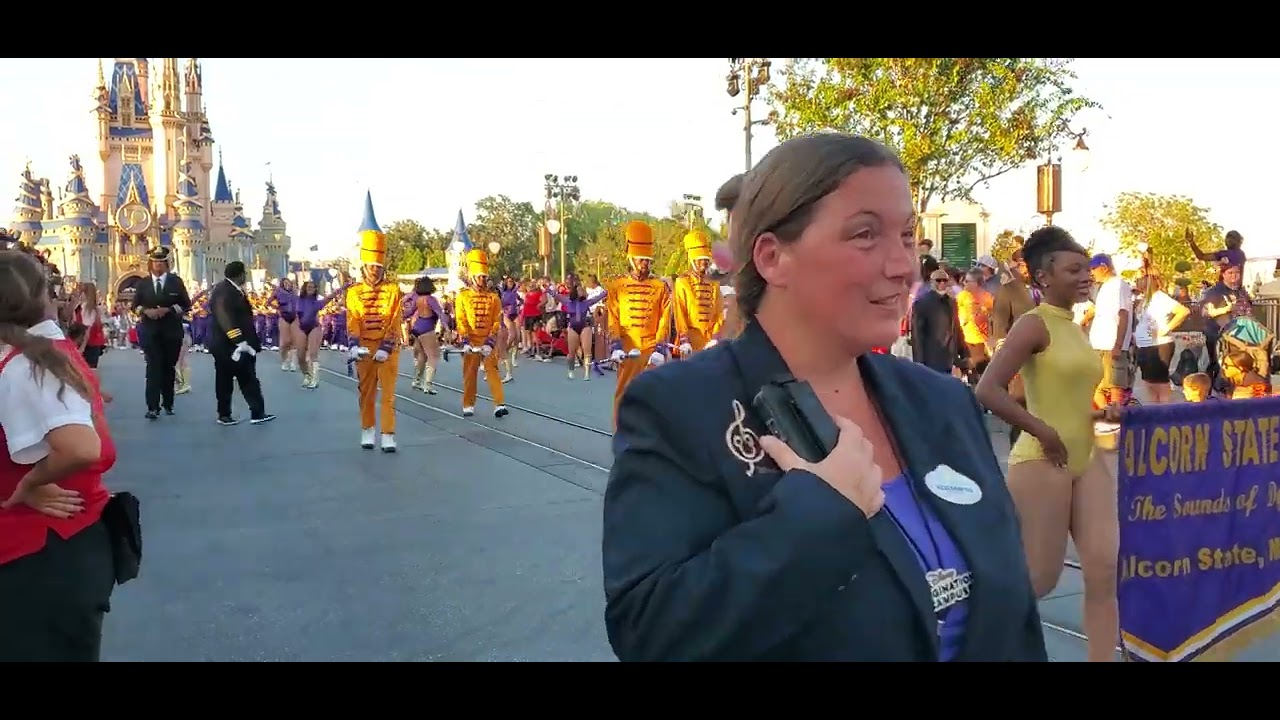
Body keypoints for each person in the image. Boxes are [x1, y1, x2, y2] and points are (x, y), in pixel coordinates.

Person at [602, 133, 1046, 662]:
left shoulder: (944, 402)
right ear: (773, 257)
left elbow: (1014, 617)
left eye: (906, 236)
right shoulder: (683, 407)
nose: (903, 265)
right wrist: (818, 515)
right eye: (864, 234)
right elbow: (652, 631)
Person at [975, 225, 1121, 662]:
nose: (1085, 276)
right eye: (1074, 269)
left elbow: (1071, 398)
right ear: (1043, 277)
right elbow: (988, 389)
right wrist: (1042, 431)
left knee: (1103, 569)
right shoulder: (1033, 325)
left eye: (1087, 268)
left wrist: (1101, 413)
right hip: (1042, 459)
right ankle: (980, 648)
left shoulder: (1076, 328)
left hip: (1086, 455)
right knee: (1039, 579)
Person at [0, 249, 116, 661]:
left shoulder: (25, 364)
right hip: (53, 550)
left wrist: (30, 483)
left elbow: (83, 447)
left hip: (39, 553)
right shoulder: (41, 354)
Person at [344, 192, 403, 452]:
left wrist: (386, 347)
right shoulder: (353, 292)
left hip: (386, 350)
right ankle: (368, 430)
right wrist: (355, 344)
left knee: (388, 394)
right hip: (365, 348)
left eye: (379, 266)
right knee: (366, 392)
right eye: (371, 266)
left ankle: (388, 435)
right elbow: (353, 318)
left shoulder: (393, 290)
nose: (375, 270)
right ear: (364, 266)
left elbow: (395, 318)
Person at [605, 221, 671, 423]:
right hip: (628, 348)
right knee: (624, 395)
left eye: (648, 261)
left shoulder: (660, 287)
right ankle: (621, 439)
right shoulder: (617, 286)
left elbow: (664, 318)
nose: (645, 264)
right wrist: (616, 344)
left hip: (651, 349)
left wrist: (660, 348)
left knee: (654, 397)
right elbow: (613, 318)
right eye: (642, 260)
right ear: (632, 260)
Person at [208, 261, 274, 426]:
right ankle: (243, 413)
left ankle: (249, 412)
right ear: (239, 275)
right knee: (235, 379)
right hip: (231, 345)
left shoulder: (231, 290)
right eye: (244, 273)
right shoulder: (224, 292)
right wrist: (239, 341)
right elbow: (225, 318)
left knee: (239, 378)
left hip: (233, 344)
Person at [130, 245, 191, 419]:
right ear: (151, 263)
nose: (157, 265)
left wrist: (169, 310)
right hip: (150, 331)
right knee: (153, 367)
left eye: (161, 262)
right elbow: (135, 306)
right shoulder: (143, 283)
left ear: (166, 263)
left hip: (171, 331)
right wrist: (145, 312)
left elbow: (186, 304)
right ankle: (152, 407)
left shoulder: (175, 282)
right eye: (155, 261)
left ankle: (168, 402)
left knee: (168, 367)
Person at [455, 249, 509, 417]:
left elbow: (496, 320)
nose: (482, 280)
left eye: (484, 277)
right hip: (471, 340)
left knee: (492, 370)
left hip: (487, 340)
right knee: (470, 373)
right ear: (472, 277)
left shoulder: (494, 298)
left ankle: (499, 404)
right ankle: (468, 403)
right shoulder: (462, 297)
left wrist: (490, 342)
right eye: (479, 276)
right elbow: (460, 319)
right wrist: (465, 341)